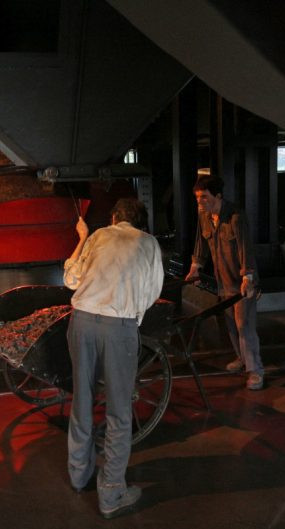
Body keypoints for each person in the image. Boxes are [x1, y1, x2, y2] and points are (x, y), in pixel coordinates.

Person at [63, 198, 164, 519]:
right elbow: (150, 294)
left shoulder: (98, 236)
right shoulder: (148, 243)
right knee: (119, 412)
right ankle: (111, 494)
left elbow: (71, 279)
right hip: (118, 328)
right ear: (140, 222)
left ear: (113, 217)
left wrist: (81, 237)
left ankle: (79, 475)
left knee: (82, 400)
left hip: (80, 322)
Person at [185, 175, 264, 390]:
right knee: (230, 324)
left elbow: (245, 249)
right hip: (223, 283)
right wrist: (195, 268)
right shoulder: (205, 217)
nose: (199, 202)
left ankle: (255, 370)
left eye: (204, 197)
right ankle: (242, 358)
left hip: (241, 284)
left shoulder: (235, 217)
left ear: (217, 195)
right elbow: (200, 244)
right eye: (197, 198)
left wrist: (247, 278)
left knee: (244, 326)